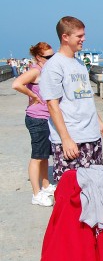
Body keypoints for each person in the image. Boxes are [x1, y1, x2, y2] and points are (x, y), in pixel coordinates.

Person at [40, 16, 103, 182]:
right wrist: (66, 139)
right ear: (65, 37)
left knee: (95, 187)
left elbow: (86, 98)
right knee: (72, 192)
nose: (83, 39)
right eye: (79, 36)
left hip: (91, 136)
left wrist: (99, 123)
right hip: (73, 139)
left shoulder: (79, 63)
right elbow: (52, 105)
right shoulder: (54, 66)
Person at [11, 42, 56, 206]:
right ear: (38, 57)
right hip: (36, 118)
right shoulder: (36, 71)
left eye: (53, 55)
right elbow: (16, 84)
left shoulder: (46, 70)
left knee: (44, 154)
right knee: (37, 155)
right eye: (48, 57)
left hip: (46, 118)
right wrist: (33, 96)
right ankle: (36, 194)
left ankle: (46, 185)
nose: (52, 59)